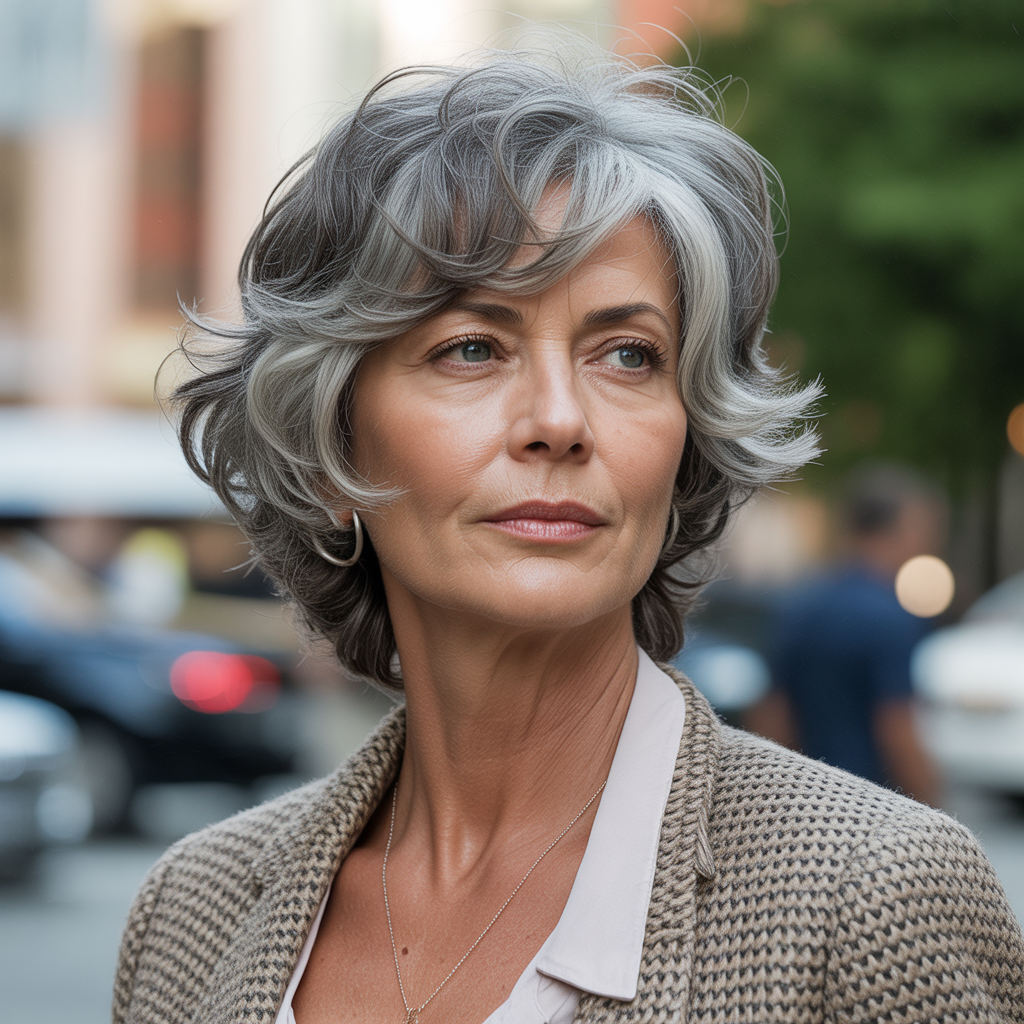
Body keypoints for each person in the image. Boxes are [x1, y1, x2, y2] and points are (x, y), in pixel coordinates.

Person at [114, 39, 1023, 1024]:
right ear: (330, 447)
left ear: (683, 449)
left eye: (628, 354)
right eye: (471, 347)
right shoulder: (189, 910)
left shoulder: (873, 898)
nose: (560, 417)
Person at [748, 465, 944, 805]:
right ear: (899, 531)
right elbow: (897, 726)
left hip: (809, 799)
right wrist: (932, 808)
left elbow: (773, 712)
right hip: (875, 807)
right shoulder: (890, 616)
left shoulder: (801, 606)